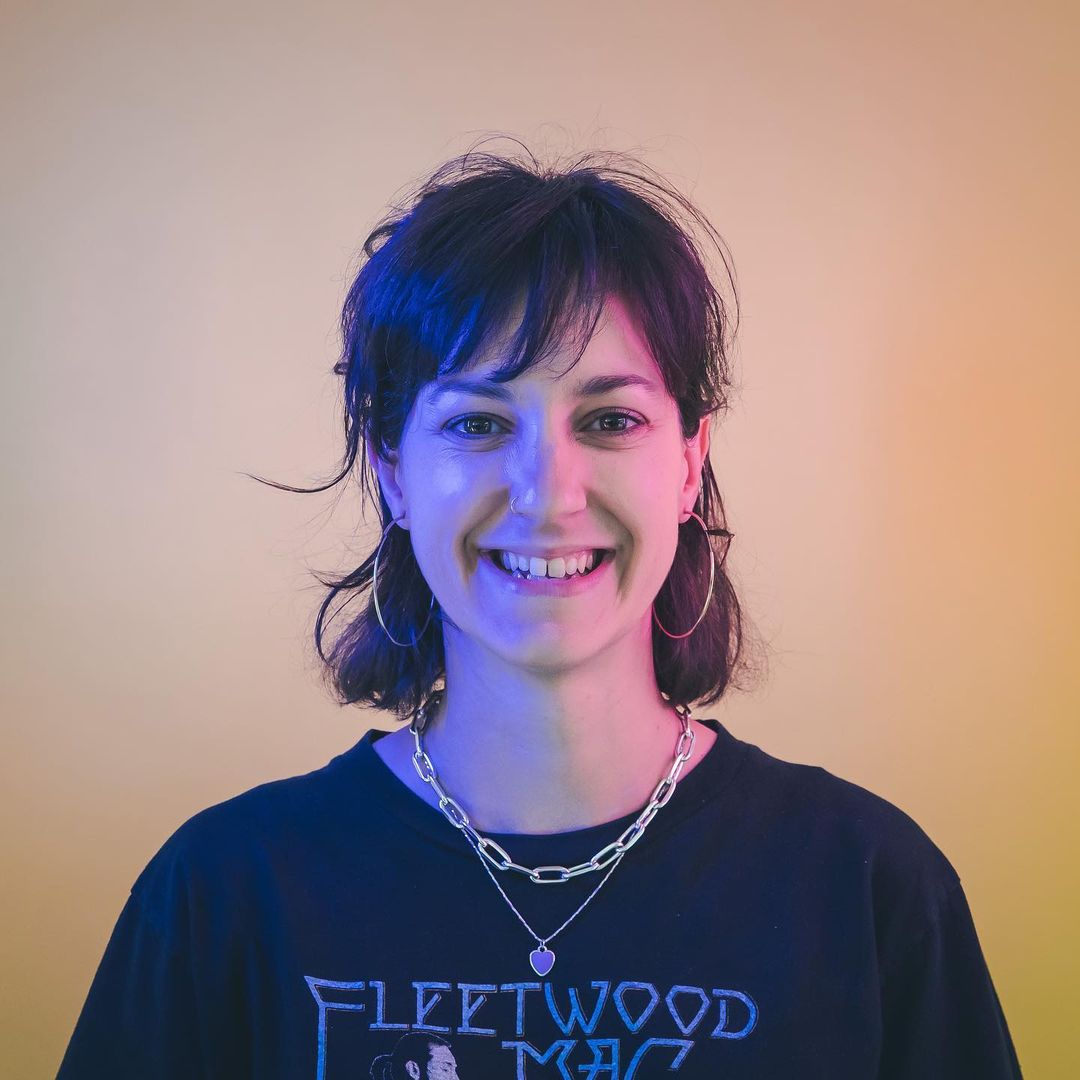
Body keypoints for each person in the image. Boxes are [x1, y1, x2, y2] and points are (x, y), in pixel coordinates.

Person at [57, 141, 1024, 1078]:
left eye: (610, 420)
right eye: (478, 422)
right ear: (393, 470)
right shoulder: (221, 896)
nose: (548, 493)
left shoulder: (870, 889)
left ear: (689, 462)